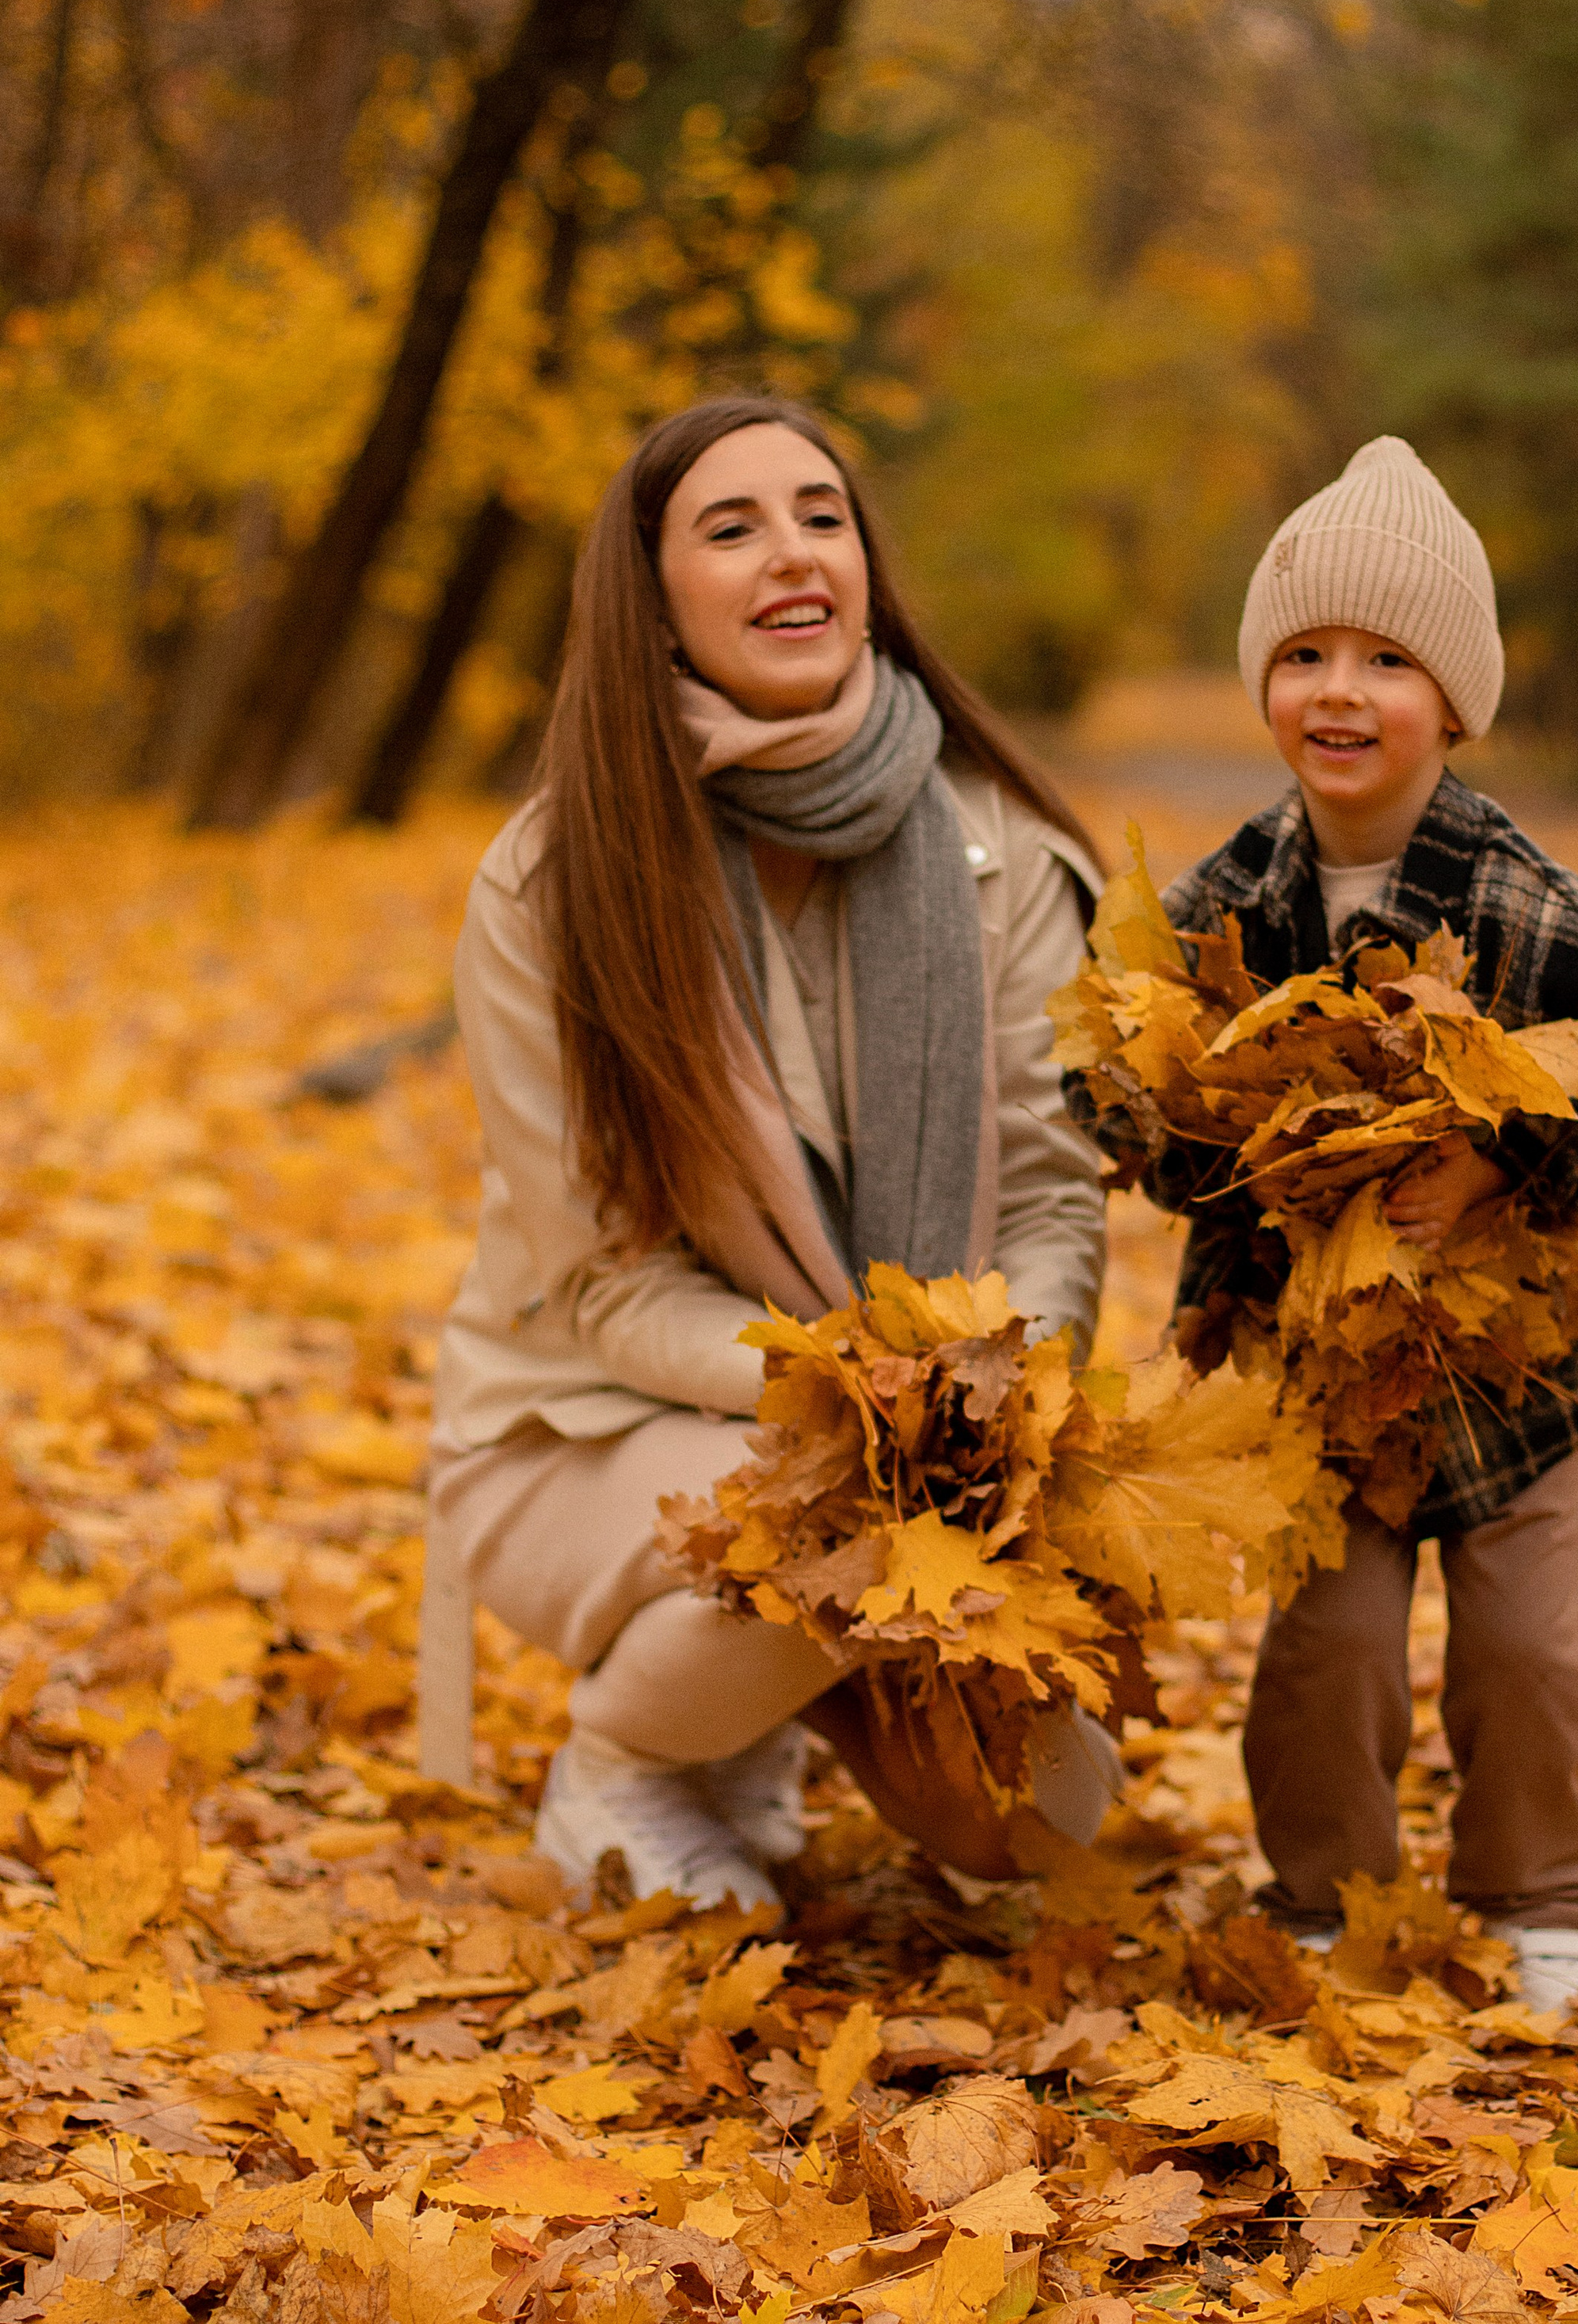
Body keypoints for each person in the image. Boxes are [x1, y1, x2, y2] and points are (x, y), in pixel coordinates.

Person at [428, 395, 1111, 1912]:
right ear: (654, 602)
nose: (791, 553)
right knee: (830, 1506)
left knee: (1037, 1825)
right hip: (589, 1428)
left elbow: (1055, 1186)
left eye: (820, 515)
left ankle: (739, 1719)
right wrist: (851, 1391)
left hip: (940, 1411)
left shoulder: (1000, 851)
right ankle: (623, 1760)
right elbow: (603, 1283)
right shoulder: (558, 878)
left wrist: (1005, 1382)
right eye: (729, 529)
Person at [1096, 435, 1578, 2017]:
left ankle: (1535, 1894)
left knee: (1529, 1653)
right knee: (1328, 1651)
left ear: (1454, 701)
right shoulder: (1227, 904)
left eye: (1385, 658)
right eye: (1302, 655)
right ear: (1264, 689)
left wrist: (1510, 1167)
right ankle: (1322, 1894)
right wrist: (1194, 1137)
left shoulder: (1521, 901)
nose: (1339, 691)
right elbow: (1163, 1115)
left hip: (1515, 1357)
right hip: (1315, 1356)